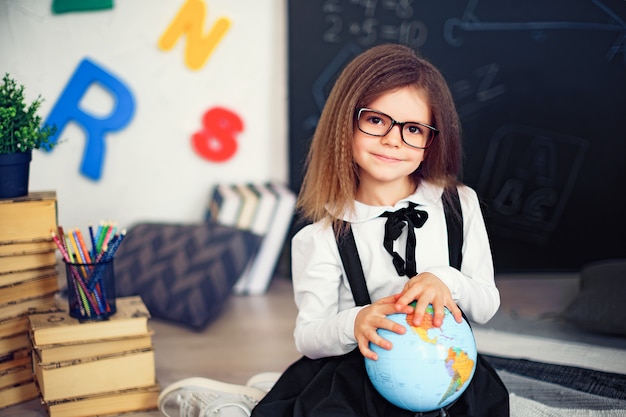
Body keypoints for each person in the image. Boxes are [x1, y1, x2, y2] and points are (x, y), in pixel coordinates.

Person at [157, 43, 509, 417]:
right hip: (361, 378)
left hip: (443, 372)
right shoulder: (322, 235)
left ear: (431, 141)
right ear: (346, 122)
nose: (393, 139)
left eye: (413, 129)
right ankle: (248, 403)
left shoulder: (459, 205)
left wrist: (444, 279)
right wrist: (356, 321)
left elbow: (486, 305)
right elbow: (309, 336)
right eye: (376, 120)